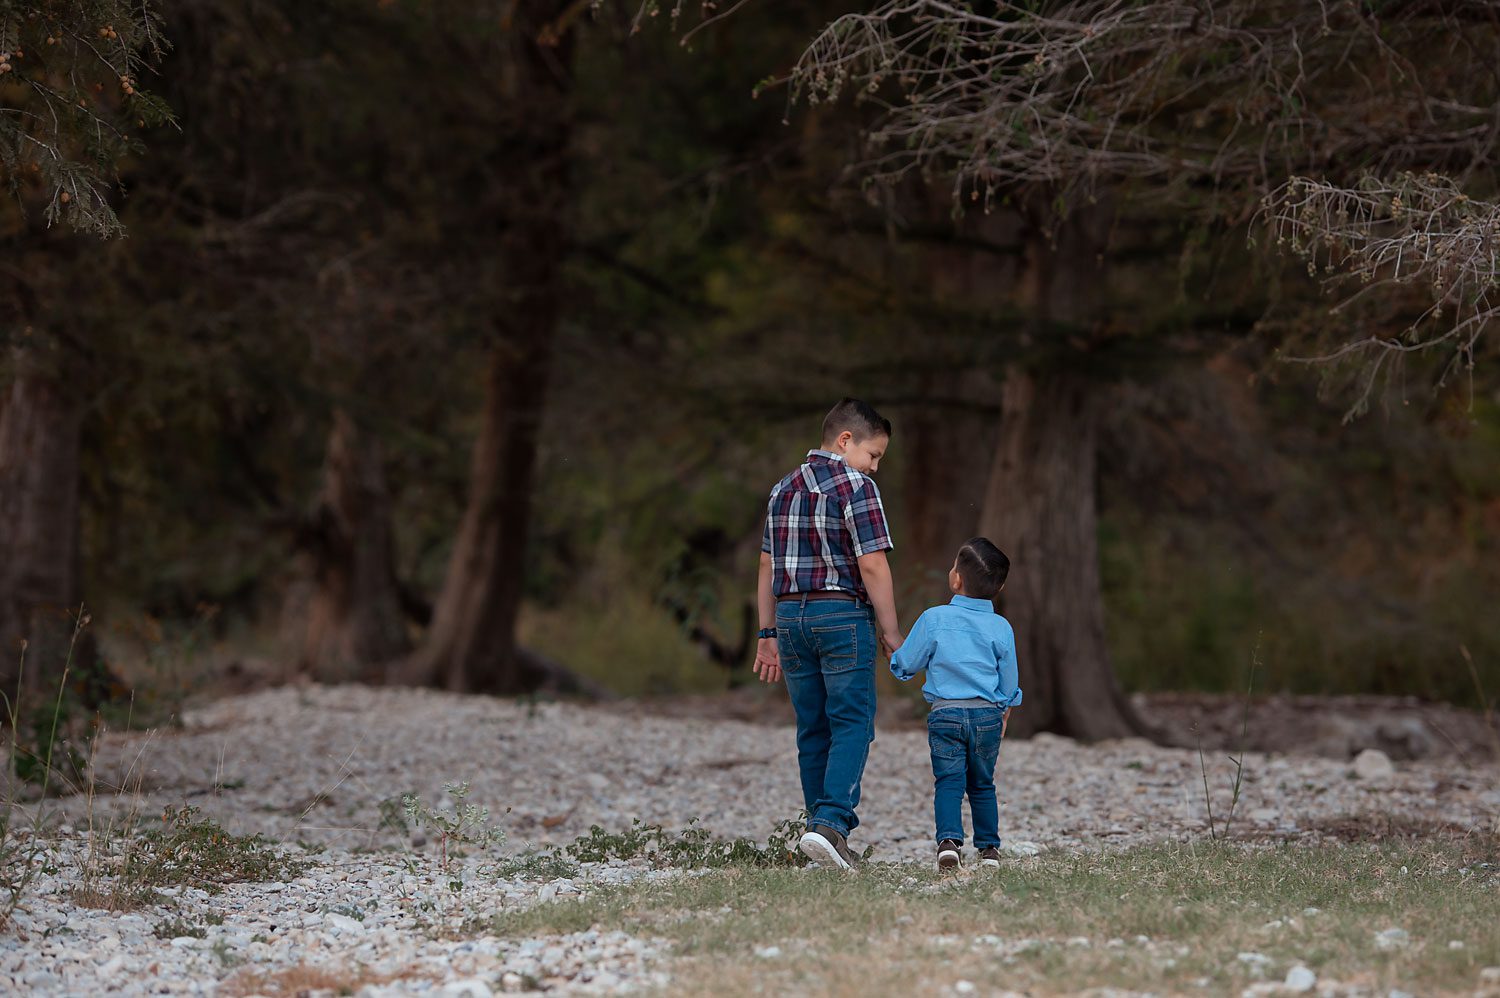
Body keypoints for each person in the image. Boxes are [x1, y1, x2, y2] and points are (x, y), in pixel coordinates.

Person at [753, 398, 904, 870]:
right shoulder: (856, 486)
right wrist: (892, 631)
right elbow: (873, 562)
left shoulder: (782, 488)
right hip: (841, 615)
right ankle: (831, 824)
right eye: (873, 454)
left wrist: (766, 632)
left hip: (791, 620)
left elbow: (766, 565)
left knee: (812, 728)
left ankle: (821, 836)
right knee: (852, 722)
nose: (875, 467)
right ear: (845, 441)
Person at [890, 537, 1021, 871]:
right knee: (982, 783)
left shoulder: (934, 619)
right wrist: (1004, 713)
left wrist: (896, 656)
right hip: (987, 716)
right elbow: (1008, 681)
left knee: (948, 781)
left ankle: (948, 843)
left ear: (956, 579)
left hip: (946, 713)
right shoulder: (1001, 627)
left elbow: (907, 662)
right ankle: (989, 849)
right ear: (1000, 586)